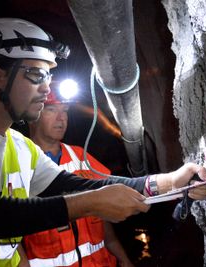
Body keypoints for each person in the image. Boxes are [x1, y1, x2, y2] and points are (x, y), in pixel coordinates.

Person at [0, 17, 206, 267]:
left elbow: (77, 185)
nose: (45, 88)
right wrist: (94, 204)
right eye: (35, 75)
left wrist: (166, 183)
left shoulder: (20, 147)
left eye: (49, 77)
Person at [21, 87, 134, 267]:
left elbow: (102, 220)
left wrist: (124, 258)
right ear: (32, 116)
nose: (62, 118)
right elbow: (9, 239)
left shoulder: (81, 157)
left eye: (65, 110)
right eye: (52, 110)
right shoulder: (17, 165)